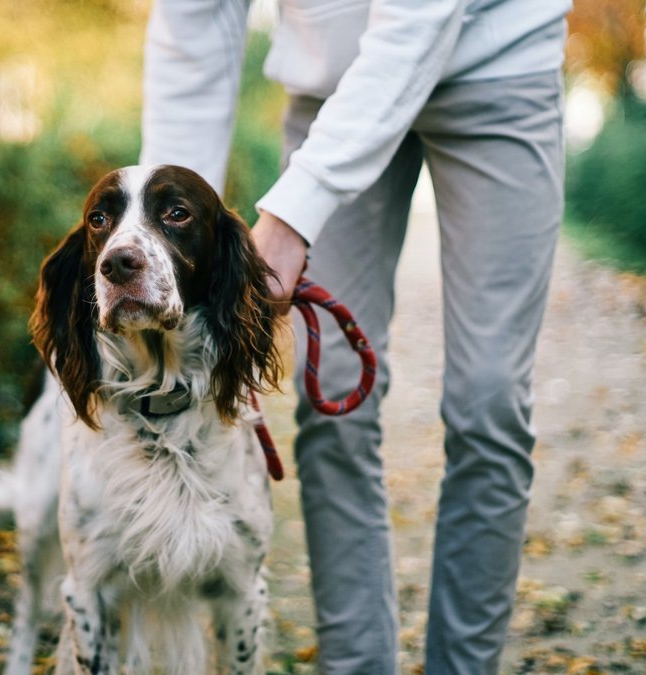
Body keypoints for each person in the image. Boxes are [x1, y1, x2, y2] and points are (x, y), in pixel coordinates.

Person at [138, 0, 570, 672]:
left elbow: (423, 18)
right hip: (328, 87)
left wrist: (292, 213)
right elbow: (194, 25)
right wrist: (162, 235)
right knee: (332, 396)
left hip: (497, 67)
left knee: (490, 402)